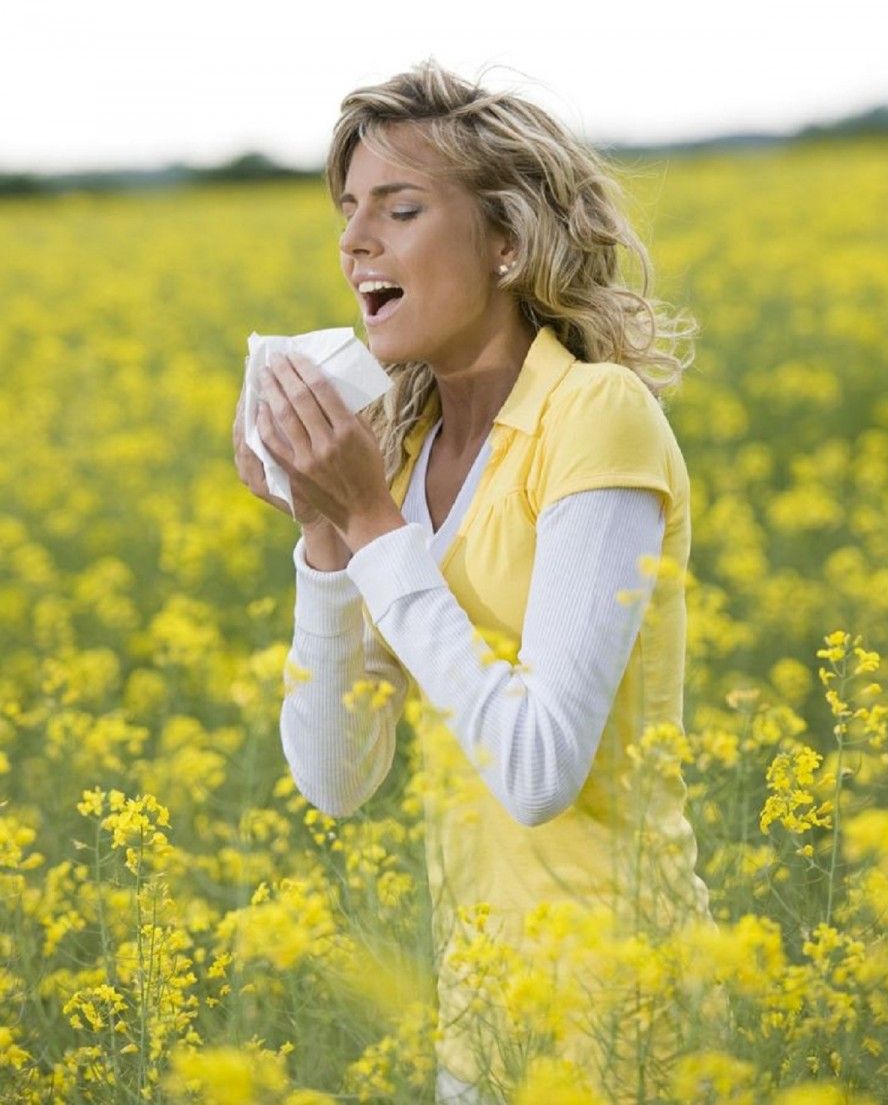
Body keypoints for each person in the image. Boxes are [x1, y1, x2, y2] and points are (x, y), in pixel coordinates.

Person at [233, 59, 716, 1104]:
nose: (356, 239)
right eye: (348, 211)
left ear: (506, 242)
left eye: (400, 208)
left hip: (625, 1017)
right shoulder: (400, 460)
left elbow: (541, 770)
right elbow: (336, 779)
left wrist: (369, 523)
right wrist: (327, 534)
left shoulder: (597, 413)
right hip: (484, 1018)